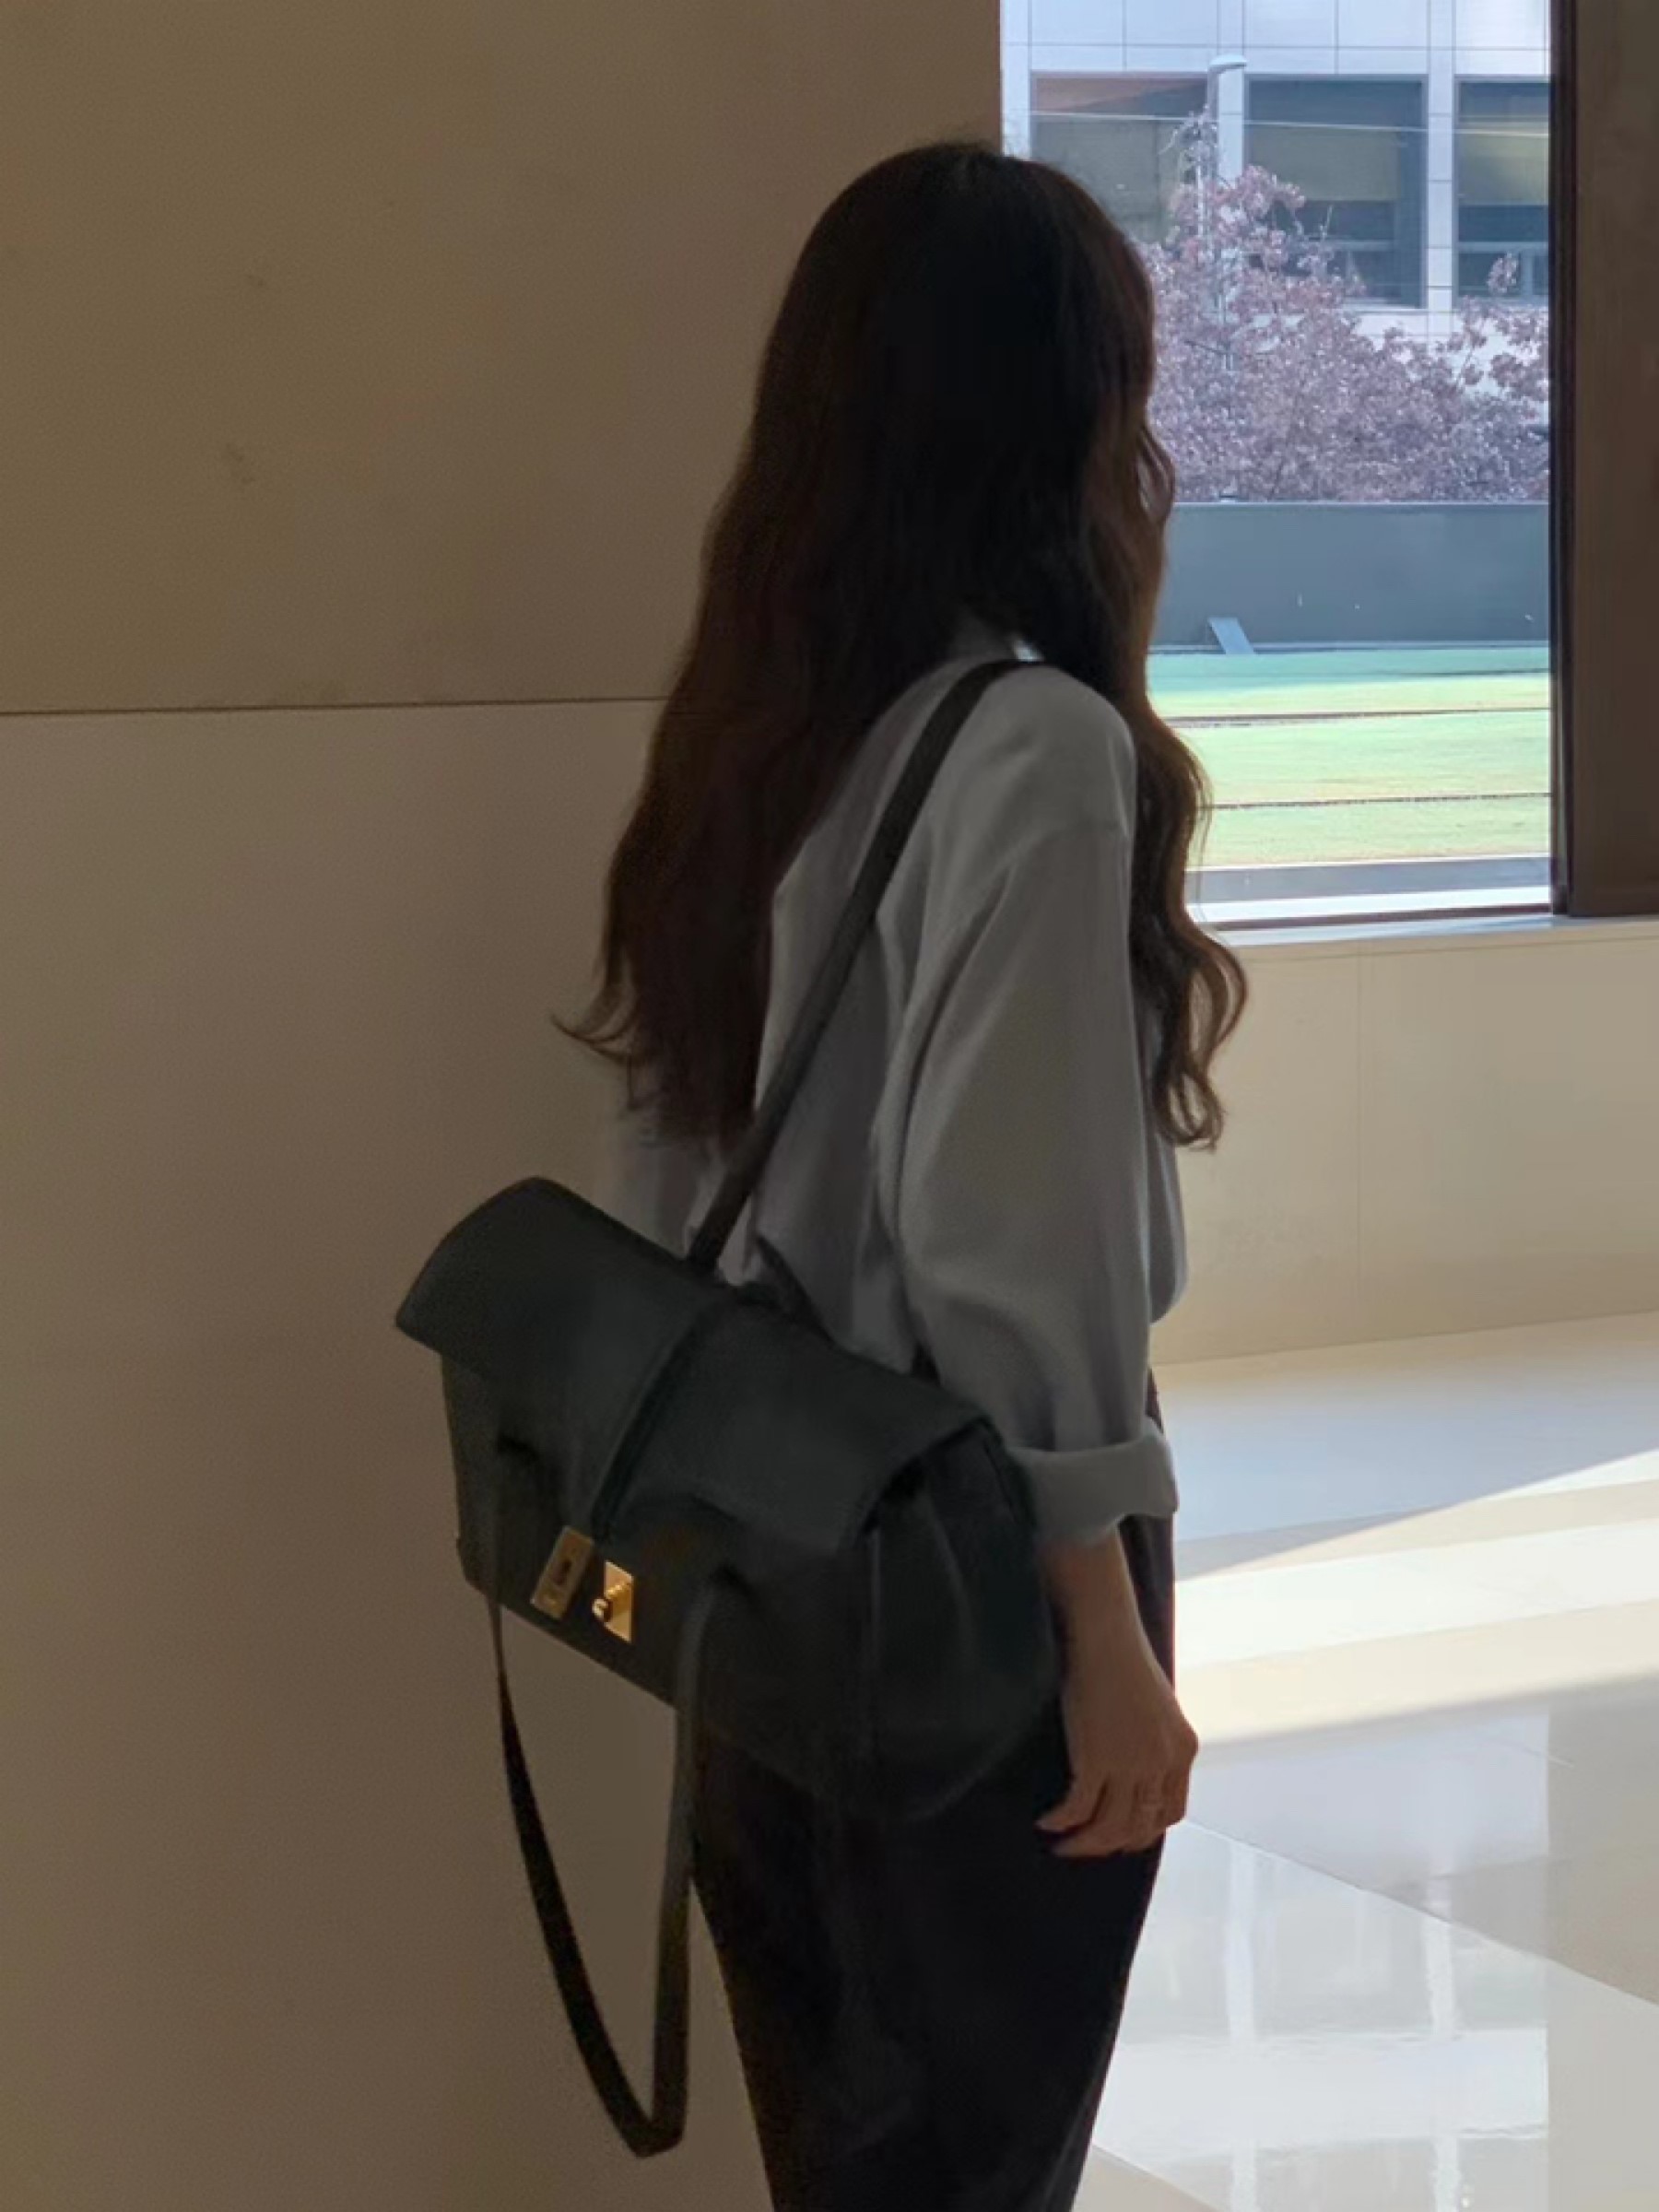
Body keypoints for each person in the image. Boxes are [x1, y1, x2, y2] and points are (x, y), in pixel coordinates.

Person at [568, 141, 1245, 2212]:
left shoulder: (758, 723)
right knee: (969, 2164)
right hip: (967, 1581)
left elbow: (665, 1155)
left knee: (844, 2154)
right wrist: (1102, 1635)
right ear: (1064, 420)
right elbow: (1009, 1245)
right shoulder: (1032, 749)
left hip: (765, 1552)